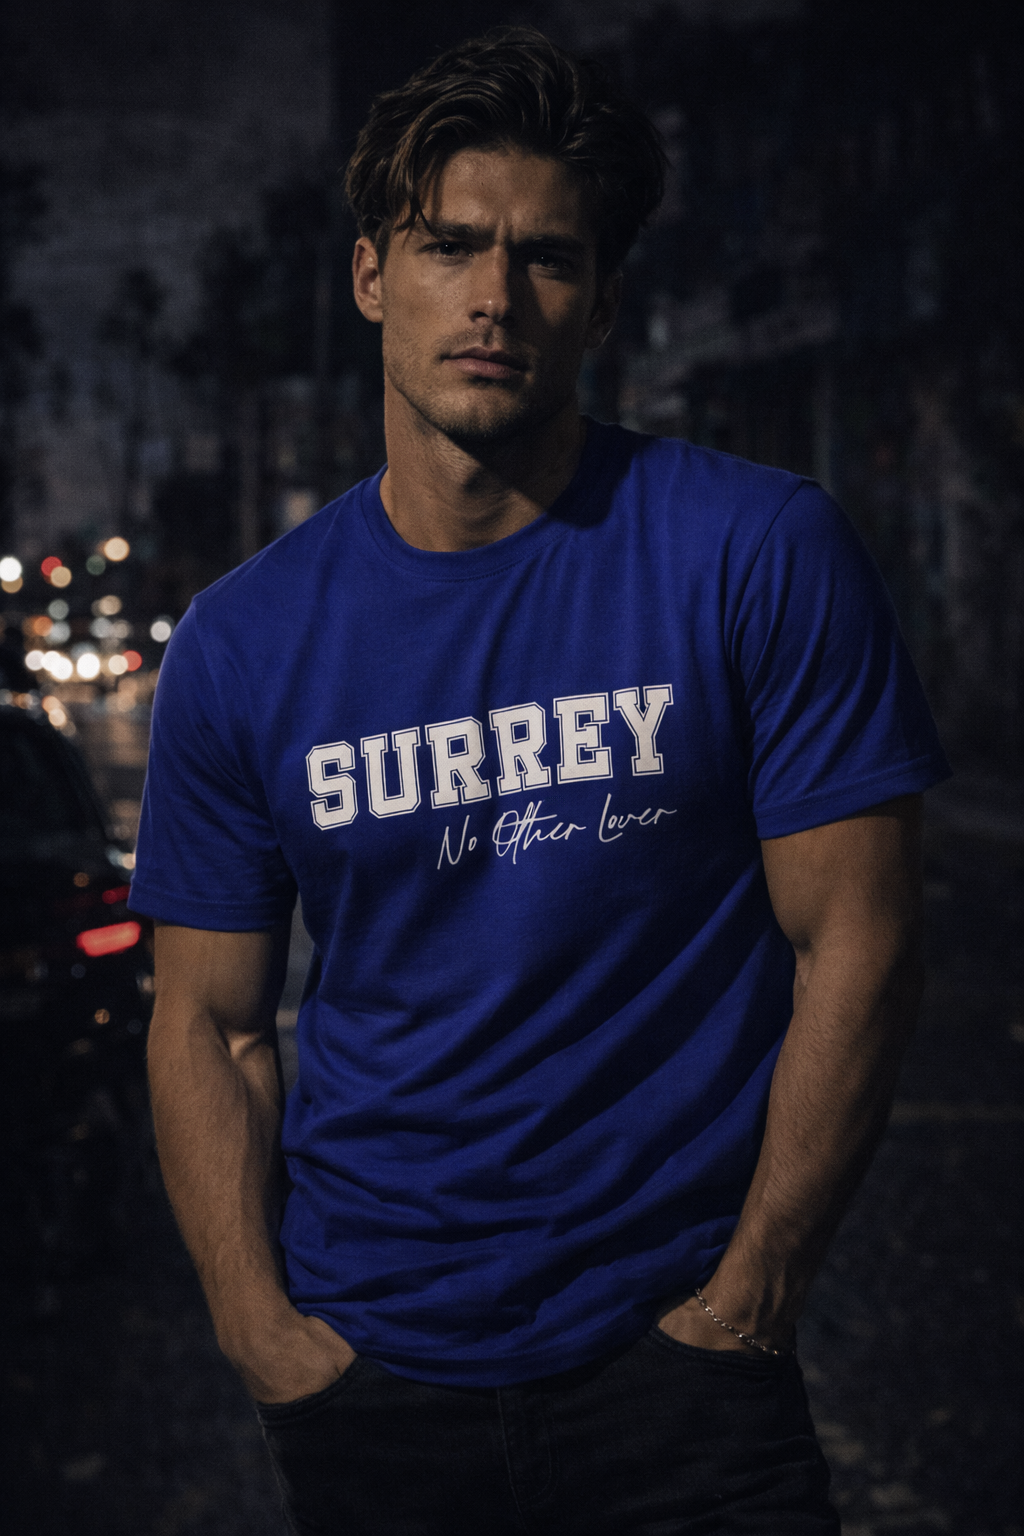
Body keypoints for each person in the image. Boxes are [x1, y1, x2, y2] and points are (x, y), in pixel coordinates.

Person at [131, 28, 950, 1535]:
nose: (495, 298)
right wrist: (265, 1334)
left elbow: (864, 941)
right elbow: (209, 1019)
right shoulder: (247, 644)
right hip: (374, 1376)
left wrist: (753, 1294)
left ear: (603, 300)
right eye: (451, 246)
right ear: (374, 275)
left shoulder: (754, 552)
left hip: (683, 1377)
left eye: (548, 258)